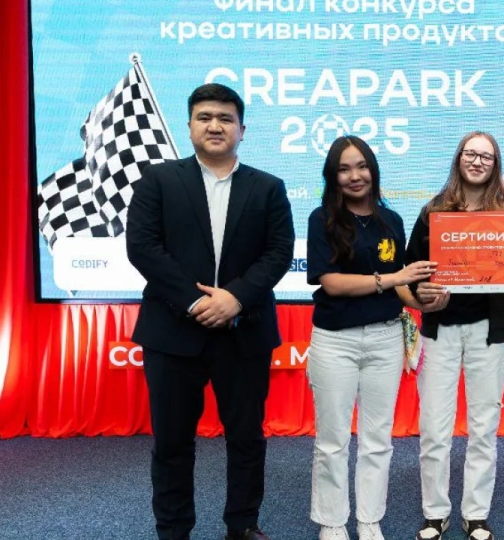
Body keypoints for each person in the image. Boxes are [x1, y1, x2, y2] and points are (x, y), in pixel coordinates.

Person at [126, 83, 294, 540]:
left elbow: (278, 253)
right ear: (189, 127)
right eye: (205, 117)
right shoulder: (159, 180)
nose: (215, 125)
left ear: (242, 129)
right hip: (172, 332)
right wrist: (197, 301)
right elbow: (143, 247)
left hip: (245, 330)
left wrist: (234, 298)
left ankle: (242, 525)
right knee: (172, 442)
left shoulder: (268, 187)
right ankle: (173, 529)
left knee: (246, 438)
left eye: (225, 118)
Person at [305, 135, 446, 540]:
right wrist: (393, 278)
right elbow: (331, 283)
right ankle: (332, 522)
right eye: (344, 169)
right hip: (336, 341)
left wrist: (426, 302)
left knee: (378, 440)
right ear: (332, 176)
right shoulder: (322, 219)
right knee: (332, 440)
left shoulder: (392, 221)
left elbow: (401, 288)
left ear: (373, 170)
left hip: (386, 340)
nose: (355, 176)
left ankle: (369, 519)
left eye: (362, 166)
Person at [405, 132, 504, 540]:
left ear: (495, 164)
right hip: (440, 330)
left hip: (490, 331)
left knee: (484, 428)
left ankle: (476, 514)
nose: (477, 161)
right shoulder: (433, 211)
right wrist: (422, 293)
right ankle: (435, 513)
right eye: (471, 153)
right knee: (434, 428)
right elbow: (411, 270)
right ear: (459, 159)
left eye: (486, 156)